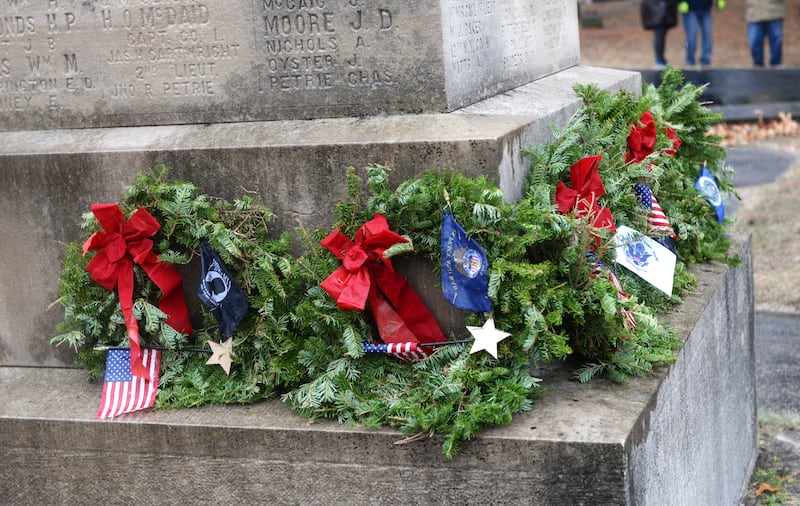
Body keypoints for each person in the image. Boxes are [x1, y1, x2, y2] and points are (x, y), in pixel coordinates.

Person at [678, 0, 726, 68]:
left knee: (707, 35)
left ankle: (706, 60)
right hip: (690, 9)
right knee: (691, 37)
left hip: (705, 8)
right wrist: (680, 2)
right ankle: (689, 60)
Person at [746, 0, 787, 67]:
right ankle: (758, 66)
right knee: (754, 41)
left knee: (776, 41)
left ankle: (776, 66)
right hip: (754, 12)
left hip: (775, 11)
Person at [641, 0, 680, 68]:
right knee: (659, 36)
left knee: (660, 37)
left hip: (664, 12)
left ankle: (660, 59)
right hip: (659, 12)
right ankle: (659, 60)